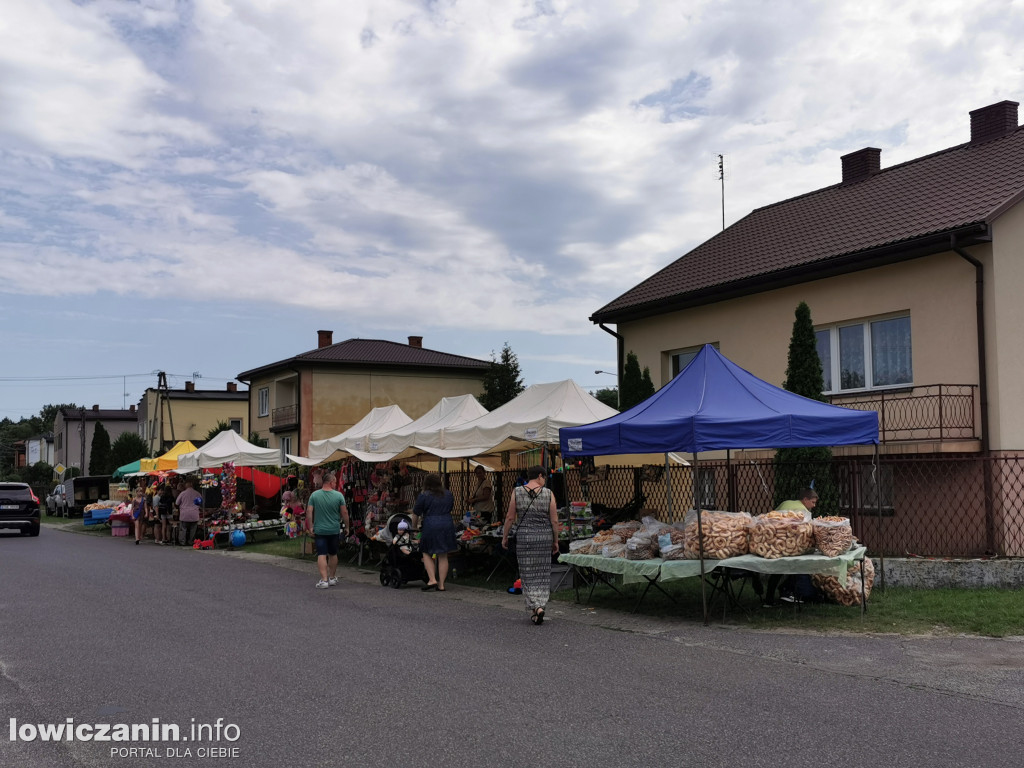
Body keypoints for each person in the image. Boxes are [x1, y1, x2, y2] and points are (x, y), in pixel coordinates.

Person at [502, 465, 559, 625]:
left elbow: (510, 517)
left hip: (525, 537)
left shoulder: (517, 492)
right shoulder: (548, 494)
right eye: (545, 477)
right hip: (544, 537)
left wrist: (505, 536)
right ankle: (539, 605)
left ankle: (535, 607)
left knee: (527, 573)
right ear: (540, 476)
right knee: (542, 573)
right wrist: (555, 540)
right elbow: (554, 520)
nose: (545, 480)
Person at [762, 487, 818, 606]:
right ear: (805, 499)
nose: (814, 505)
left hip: (773, 542)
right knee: (796, 567)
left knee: (777, 571)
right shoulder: (804, 512)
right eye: (812, 502)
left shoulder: (785, 503)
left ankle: (769, 599)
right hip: (791, 546)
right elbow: (806, 531)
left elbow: (771, 517)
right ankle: (786, 592)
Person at [411, 473, 456, 592]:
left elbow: (416, 513)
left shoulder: (424, 495)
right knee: (443, 554)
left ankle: (432, 579)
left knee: (425, 551)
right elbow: (450, 507)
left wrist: (414, 527)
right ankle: (441, 585)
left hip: (431, 524)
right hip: (447, 523)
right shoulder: (448, 494)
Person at [306, 472, 350, 589]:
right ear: (331, 482)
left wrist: (310, 526)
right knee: (333, 553)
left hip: (320, 530)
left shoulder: (314, 495)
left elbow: (309, 511)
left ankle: (324, 580)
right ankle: (332, 577)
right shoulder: (339, 496)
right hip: (334, 530)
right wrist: (347, 527)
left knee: (321, 553)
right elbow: (344, 512)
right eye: (335, 482)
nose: (336, 484)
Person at [176, 479, 202, 547]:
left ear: (186, 486)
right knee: (193, 529)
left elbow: (177, 503)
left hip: (184, 514)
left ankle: (182, 542)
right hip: (194, 514)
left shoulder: (182, 493)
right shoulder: (197, 493)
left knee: (183, 529)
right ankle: (191, 541)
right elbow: (200, 503)